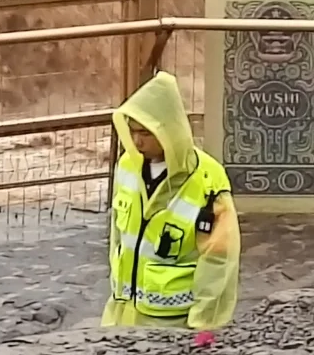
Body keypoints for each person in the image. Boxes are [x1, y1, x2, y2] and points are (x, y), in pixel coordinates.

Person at [103, 71, 241, 343]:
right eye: (132, 131)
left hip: (175, 325)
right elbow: (118, 240)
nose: (137, 140)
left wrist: (205, 326)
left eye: (145, 132)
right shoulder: (127, 168)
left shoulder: (208, 181)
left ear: (168, 131)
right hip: (123, 315)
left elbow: (219, 260)